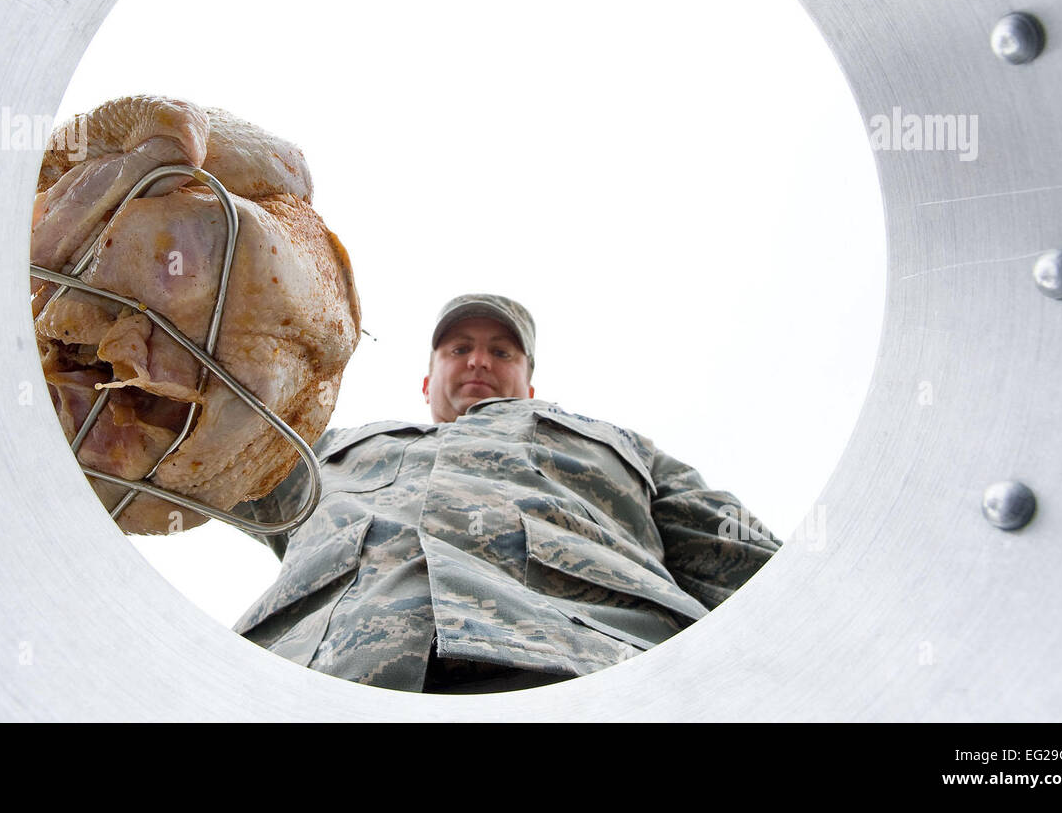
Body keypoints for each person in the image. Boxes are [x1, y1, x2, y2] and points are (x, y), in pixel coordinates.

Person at [229, 294, 780, 693]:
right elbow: (188, 456)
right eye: (459, 348)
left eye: (502, 351)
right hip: (309, 684)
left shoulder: (626, 449)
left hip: (592, 679)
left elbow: (757, 567)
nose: (478, 361)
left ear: (529, 384)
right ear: (427, 380)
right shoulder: (320, 448)